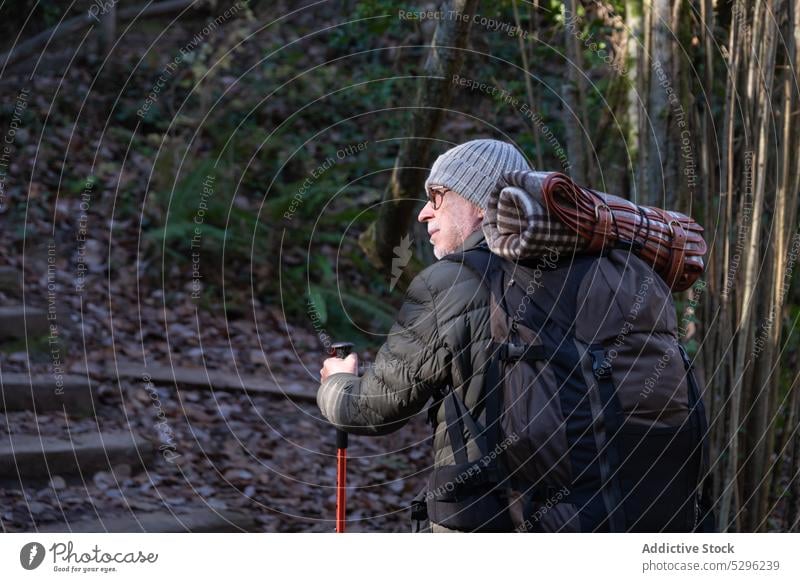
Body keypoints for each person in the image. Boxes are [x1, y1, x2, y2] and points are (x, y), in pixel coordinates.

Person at [317, 139, 531, 532]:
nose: (423, 213)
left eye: (438, 196)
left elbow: (372, 408)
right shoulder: (570, 275)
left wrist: (338, 382)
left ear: (481, 204)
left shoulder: (451, 281)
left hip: (481, 521)